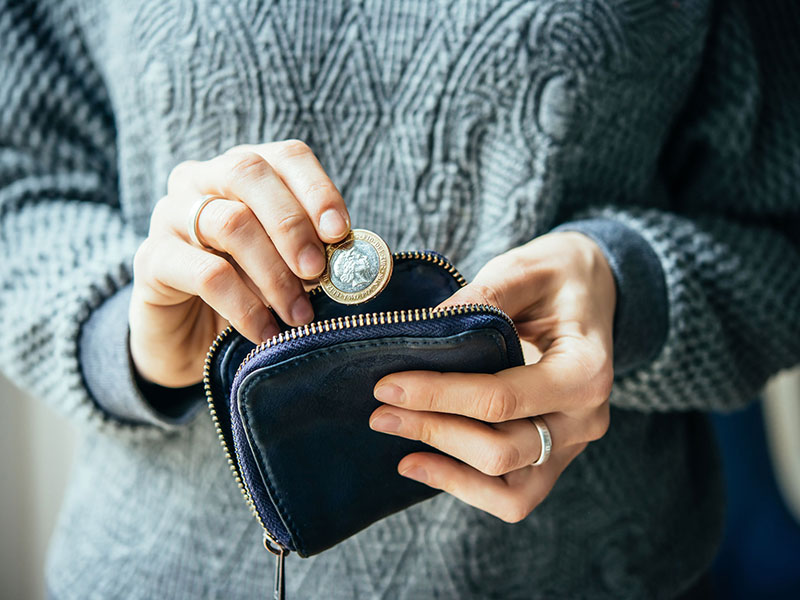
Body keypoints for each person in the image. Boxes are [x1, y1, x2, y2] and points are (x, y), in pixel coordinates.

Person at [1, 1, 798, 598]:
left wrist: (632, 291)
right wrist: (125, 343)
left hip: (591, 572)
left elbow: (782, 227)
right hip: (159, 574)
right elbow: (17, 180)